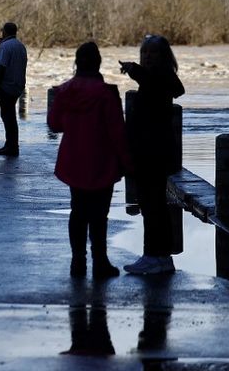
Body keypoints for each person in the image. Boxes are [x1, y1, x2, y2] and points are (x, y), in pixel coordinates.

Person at [48, 42, 130, 278]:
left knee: (78, 211)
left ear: (76, 62)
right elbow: (117, 132)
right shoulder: (106, 94)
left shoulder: (64, 91)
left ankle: (78, 261)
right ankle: (100, 262)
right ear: (98, 63)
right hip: (102, 160)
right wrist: (128, 163)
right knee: (99, 215)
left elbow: (55, 124)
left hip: (73, 159)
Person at [119, 34, 185, 275]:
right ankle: (160, 256)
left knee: (152, 205)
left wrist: (135, 70)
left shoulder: (160, 77)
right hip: (151, 151)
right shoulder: (157, 77)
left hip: (152, 152)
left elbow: (157, 84)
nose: (147, 56)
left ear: (163, 55)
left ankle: (154, 255)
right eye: (144, 52)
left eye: (152, 52)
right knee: (152, 204)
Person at [0, 21, 27, 156]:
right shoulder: (20, 46)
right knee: (10, 115)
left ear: (4, 32)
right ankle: (11, 145)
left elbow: (1, 66)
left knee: (8, 116)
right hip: (17, 85)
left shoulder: (5, 46)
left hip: (6, 85)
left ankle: (12, 146)